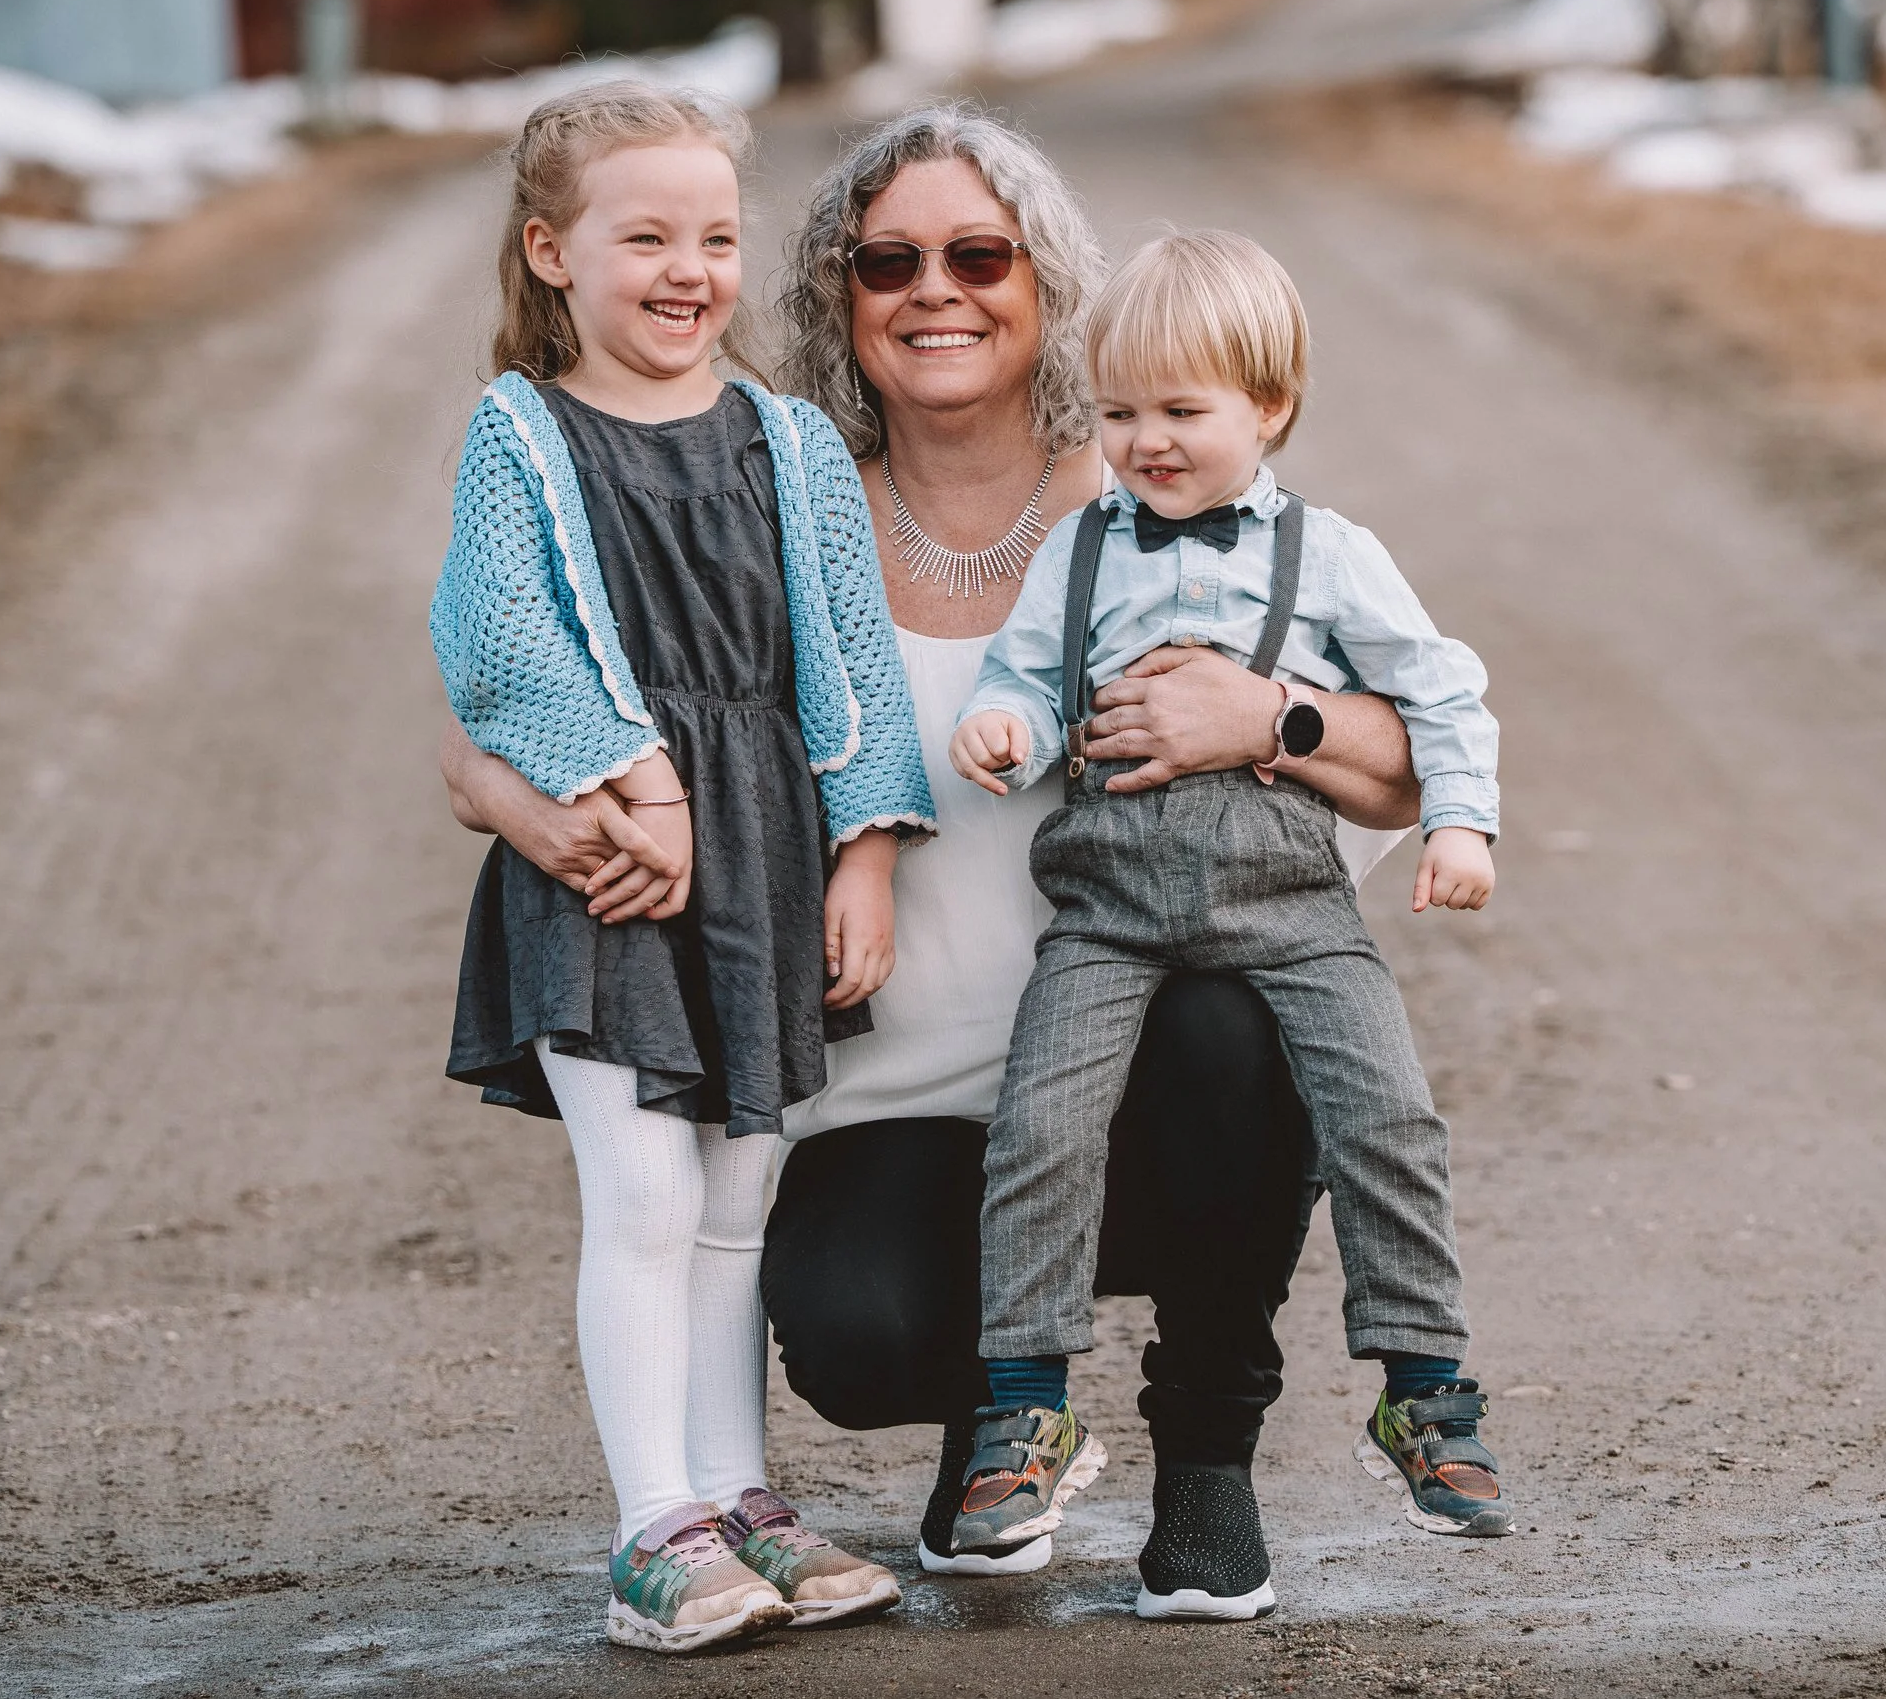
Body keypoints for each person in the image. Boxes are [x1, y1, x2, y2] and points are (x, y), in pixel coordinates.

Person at [441, 104, 1427, 1625]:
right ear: (839, 294)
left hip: (1130, 1075)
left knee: (1254, 1037)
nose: (934, 289)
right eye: (885, 259)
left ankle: (1206, 1464)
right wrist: (525, 802)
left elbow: (1407, 754)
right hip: (888, 1105)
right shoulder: (780, 492)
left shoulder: (1159, 493)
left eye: (981, 253)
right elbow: (505, 702)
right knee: (855, 1325)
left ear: (1050, 287)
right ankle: (1000, 1421)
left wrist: (1270, 713)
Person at [427, 80, 933, 1654]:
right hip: (611, 857)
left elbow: (851, 654)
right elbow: (496, 637)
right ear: (551, 251)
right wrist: (639, 780)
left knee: (738, 1189)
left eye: (714, 236)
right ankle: (653, 1527)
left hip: (768, 849)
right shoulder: (520, 431)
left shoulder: (784, 440)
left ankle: (737, 1495)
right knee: (643, 1187)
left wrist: (870, 853)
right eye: (643, 235)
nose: (686, 269)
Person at [945, 230, 1514, 1591]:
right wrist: (1007, 729)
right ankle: (1023, 1399)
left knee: (1386, 1109)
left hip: (1290, 897)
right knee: (1041, 1118)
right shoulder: (1078, 550)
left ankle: (1424, 1383)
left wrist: (1461, 820)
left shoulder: (1329, 553)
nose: (1146, 441)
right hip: (1110, 904)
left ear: (1271, 408)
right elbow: (1018, 676)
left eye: (1182, 412)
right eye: (1122, 412)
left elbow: (1440, 687)